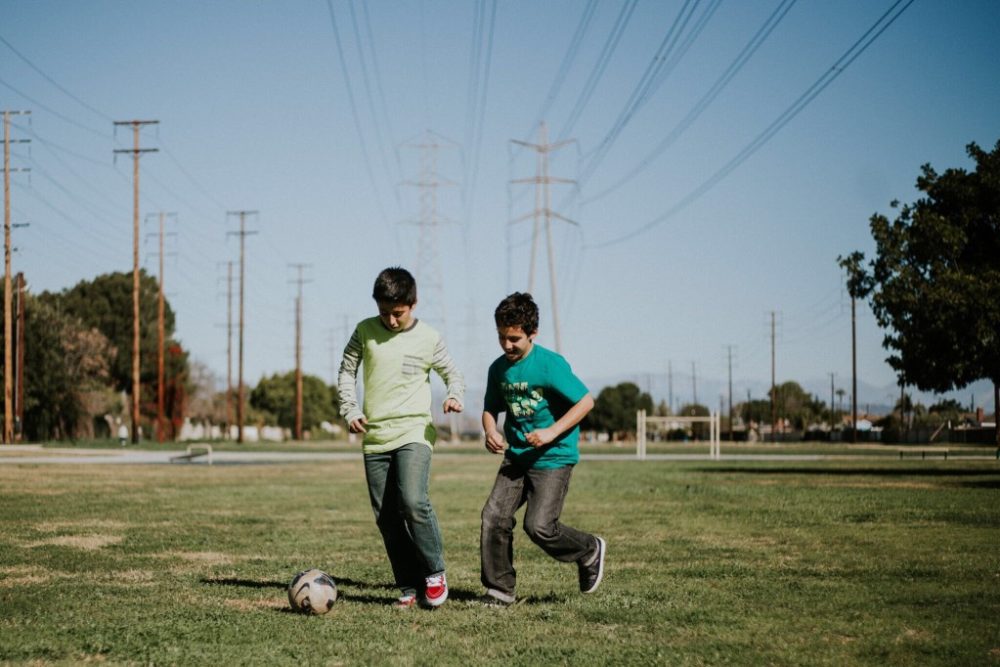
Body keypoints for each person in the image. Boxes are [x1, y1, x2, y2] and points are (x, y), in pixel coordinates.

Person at [337, 267, 465, 609]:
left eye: (398, 313)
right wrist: (350, 409)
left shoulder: (429, 338)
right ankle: (409, 584)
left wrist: (454, 394)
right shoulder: (364, 331)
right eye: (384, 313)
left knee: (412, 501)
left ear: (413, 303)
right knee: (387, 517)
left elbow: (452, 373)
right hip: (376, 437)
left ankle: (435, 573)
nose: (391, 321)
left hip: (413, 432)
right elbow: (347, 370)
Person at [479, 292, 605, 607]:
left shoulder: (550, 365)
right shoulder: (498, 370)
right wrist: (490, 429)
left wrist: (551, 432)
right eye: (501, 337)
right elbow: (490, 408)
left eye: (514, 338)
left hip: (553, 457)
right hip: (517, 457)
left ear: (532, 333)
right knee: (493, 517)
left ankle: (589, 549)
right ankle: (500, 590)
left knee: (539, 527)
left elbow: (585, 401)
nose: (507, 345)